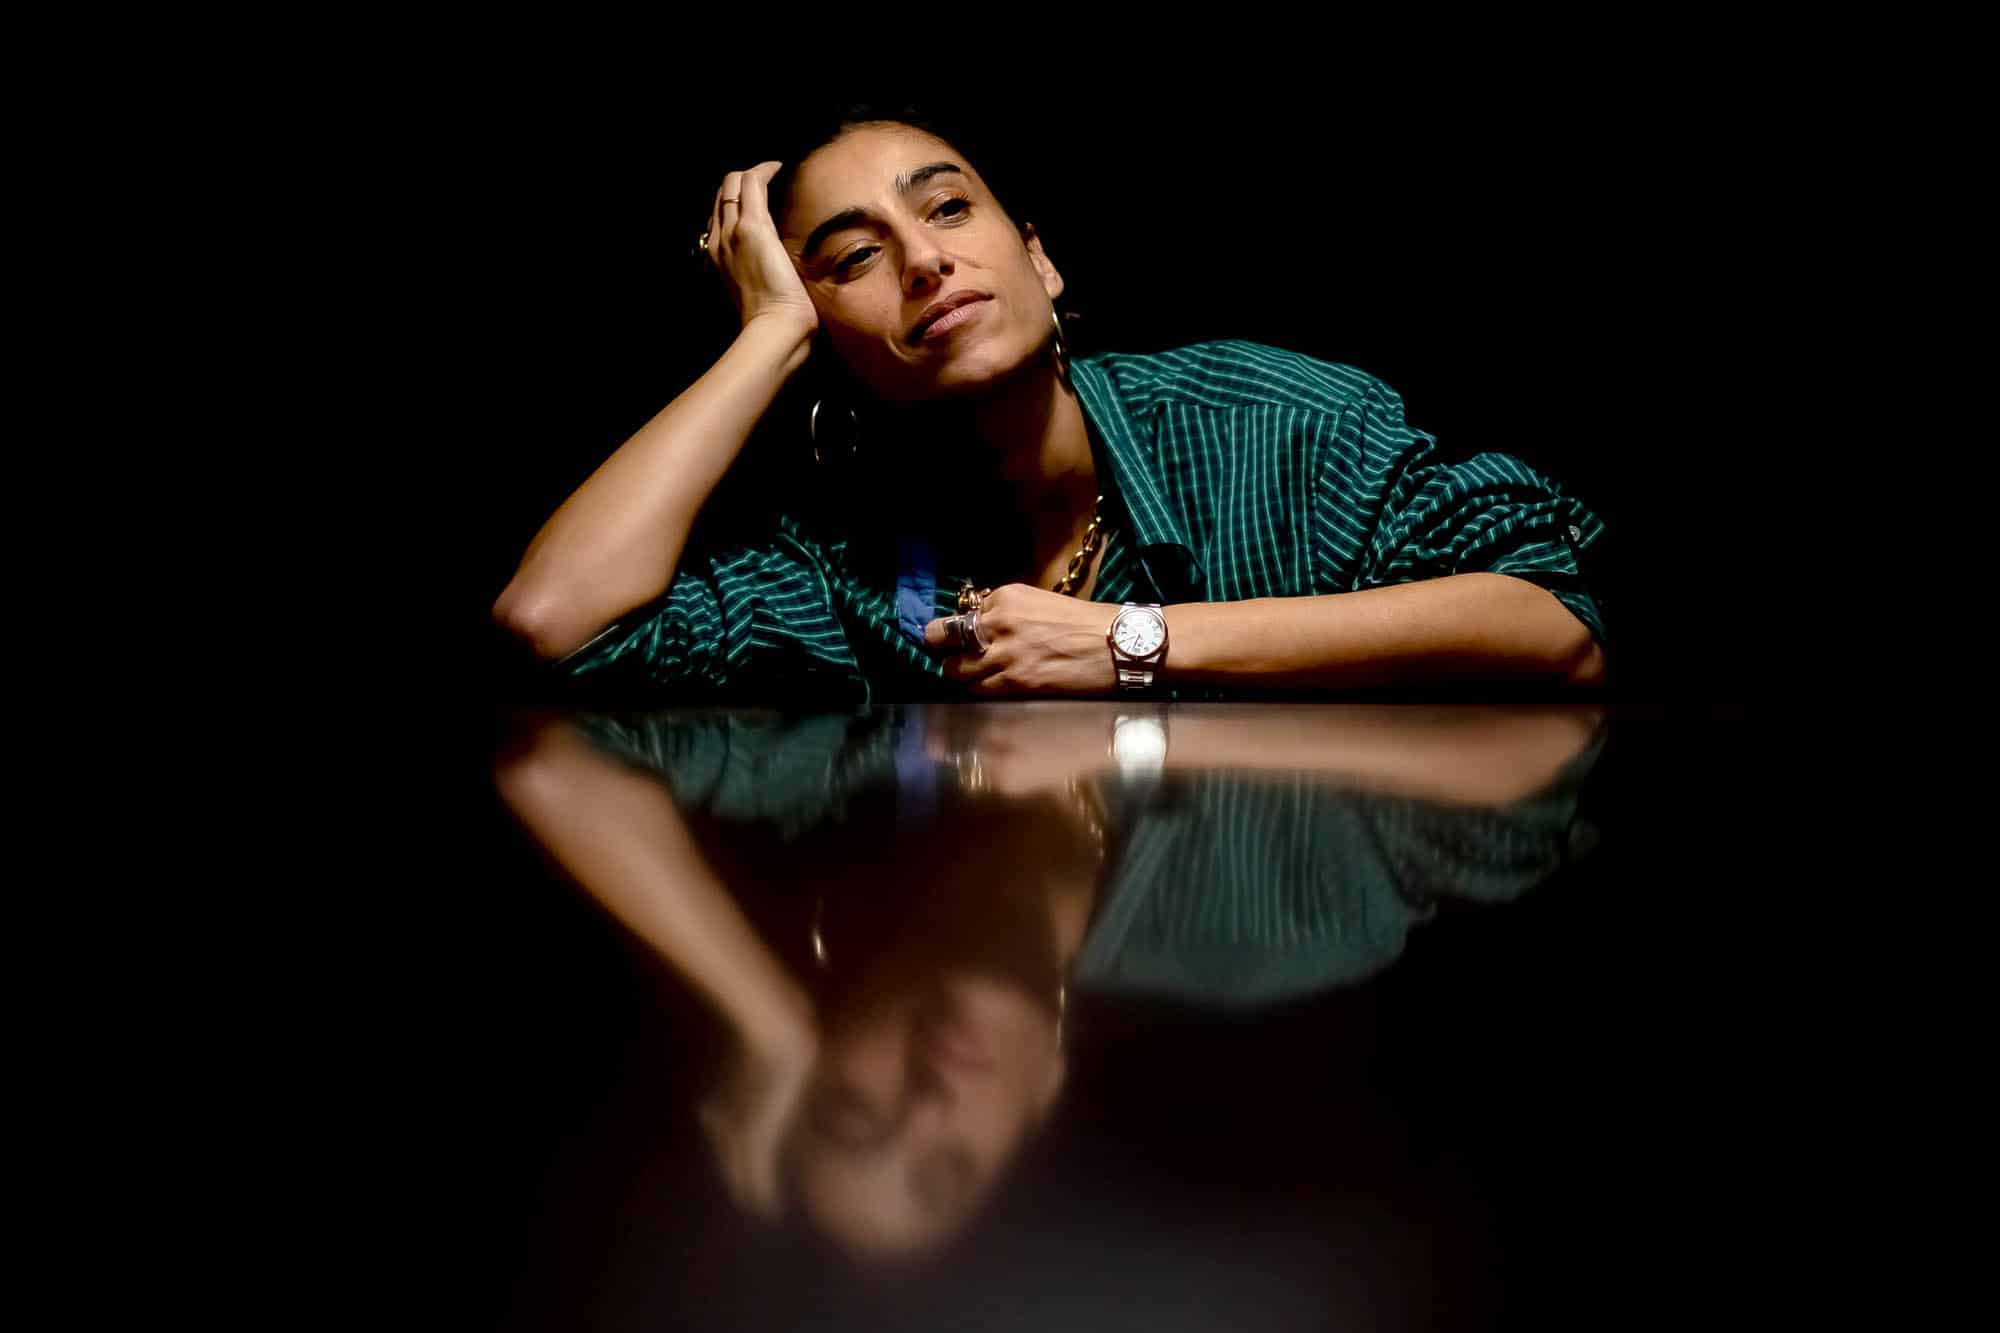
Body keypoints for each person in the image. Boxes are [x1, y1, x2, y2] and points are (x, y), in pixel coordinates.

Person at [491, 102, 1608, 703]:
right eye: (852, 259)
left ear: (1040, 260)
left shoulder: (1267, 422)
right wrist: (767, 337)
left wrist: (1130, 642)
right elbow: (553, 624)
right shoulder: (848, 570)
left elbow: (1552, 623)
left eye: (947, 209)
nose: (924, 261)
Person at [494, 702, 1606, 1258]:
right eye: (948, 1165)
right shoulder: (1280, 925)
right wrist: (776, 1025)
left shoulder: (855, 727)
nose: (927, 1104)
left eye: (851, 1109)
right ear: (1041, 1101)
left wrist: (776, 1015)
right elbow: (1546, 763)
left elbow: (547, 739)